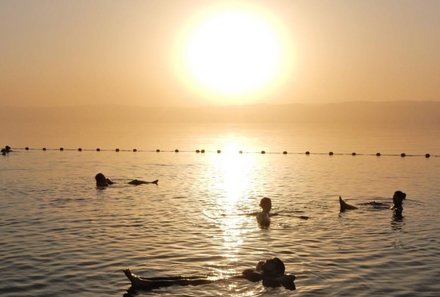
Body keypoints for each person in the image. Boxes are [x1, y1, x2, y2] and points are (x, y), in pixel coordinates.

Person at [123, 257, 295, 292]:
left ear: (276, 269)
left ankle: (143, 284)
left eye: (272, 261)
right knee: (180, 278)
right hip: (222, 278)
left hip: (220, 281)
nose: (268, 260)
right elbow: (255, 267)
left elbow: (287, 279)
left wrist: (282, 278)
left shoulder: (270, 278)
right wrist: (263, 266)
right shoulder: (261, 271)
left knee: (185, 283)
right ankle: (142, 281)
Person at [339, 191, 406, 214]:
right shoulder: (396, 205)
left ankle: (346, 206)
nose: (393, 198)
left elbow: (397, 210)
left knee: (360, 209)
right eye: (393, 196)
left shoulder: (399, 208)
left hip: (385, 209)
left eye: (395, 197)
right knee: (373, 203)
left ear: (400, 199)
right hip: (387, 207)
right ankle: (345, 206)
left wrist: (394, 210)